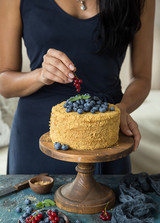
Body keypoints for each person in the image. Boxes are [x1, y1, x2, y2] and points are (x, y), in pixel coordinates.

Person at [0, 0, 155, 174]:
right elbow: (4, 82)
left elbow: (142, 78)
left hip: (104, 130)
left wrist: (123, 109)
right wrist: (41, 75)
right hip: (36, 132)